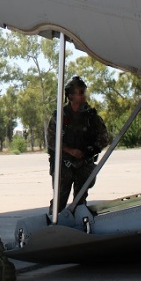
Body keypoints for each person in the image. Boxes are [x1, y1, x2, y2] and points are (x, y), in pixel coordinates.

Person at [46, 76, 109, 214]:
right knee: (59, 201)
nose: (83, 95)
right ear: (70, 96)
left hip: (84, 165)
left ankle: (80, 227)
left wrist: (88, 152)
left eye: (84, 92)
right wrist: (68, 150)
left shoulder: (91, 116)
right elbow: (51, 140)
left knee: (80, 203)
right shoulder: (59, 116)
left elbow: (103, 138)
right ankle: (53, 228)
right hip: (64, 166)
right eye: (80, 92)